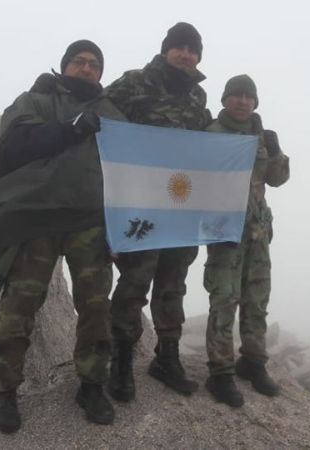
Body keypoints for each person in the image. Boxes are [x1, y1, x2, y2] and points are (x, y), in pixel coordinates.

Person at [0, 40, 125, 431]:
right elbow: (15, 144)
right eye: (79, 61)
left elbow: (131, 168)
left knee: (96, 308)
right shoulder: (36, 100)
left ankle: (91, 384)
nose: (87, 68)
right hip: (38, 218)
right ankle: (4, 390)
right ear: (64, 66)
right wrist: (68, 130)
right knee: (19, 305)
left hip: (90, 221)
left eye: (95, 64)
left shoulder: (112, 112)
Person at [104, 22, 212, 402]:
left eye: (193, 49)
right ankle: (120, 361)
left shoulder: (198, 96)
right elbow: (99, 116)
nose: (186, 54)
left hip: (181, 206)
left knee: (173, 283)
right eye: (179, 46)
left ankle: (167, 357)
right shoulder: (136, 82)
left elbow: (207, 144)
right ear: (166, 49)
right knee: (135, 281)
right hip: (141, 204)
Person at [203, 75, 290, 407]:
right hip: (224, 229)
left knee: (257, 297)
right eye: (236, 95)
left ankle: (253, 361)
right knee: (224, 297)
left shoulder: (261, 137)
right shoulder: (210, 134)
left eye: (248, 96)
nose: (242, 101)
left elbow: (277, 179)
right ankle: (220, 371)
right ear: (225, 99)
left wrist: (277, 152)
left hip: (257, 230)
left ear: (255, 102)